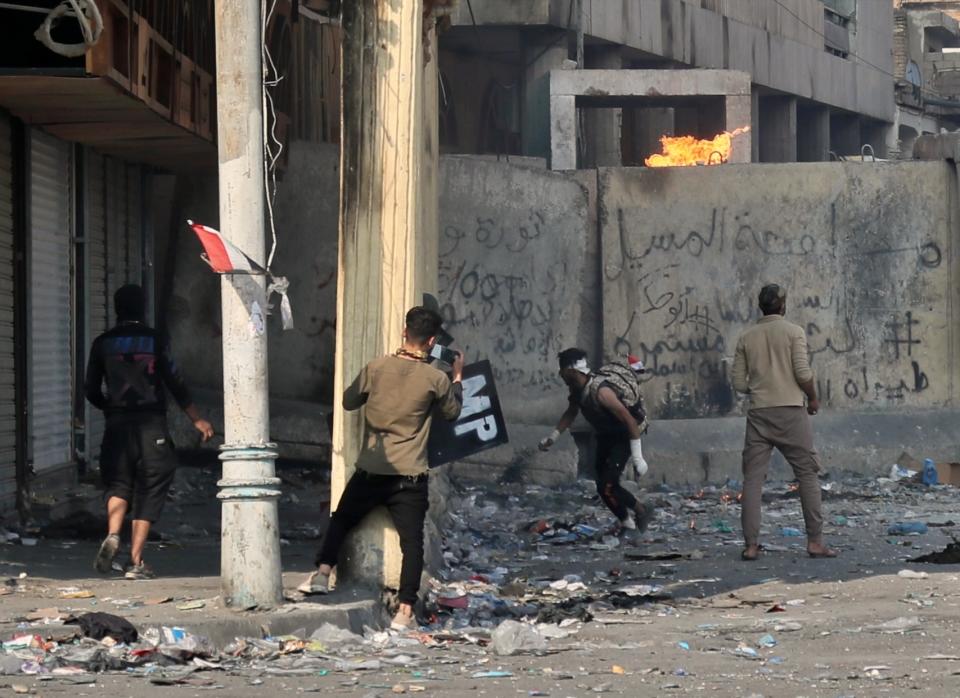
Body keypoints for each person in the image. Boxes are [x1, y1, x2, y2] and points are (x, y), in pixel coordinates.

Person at [298, 306, 464, 631]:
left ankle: (322, 574)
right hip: (409, 475)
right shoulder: (436, 379)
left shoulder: (376, 367)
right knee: (411, 543)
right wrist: (457, 376)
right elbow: (453, 413)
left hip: (372, 468)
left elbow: (348, 401)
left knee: (342, 517)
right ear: (431, 341)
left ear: (405, 332)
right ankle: (404, 611)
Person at [85, 285, 214, 579]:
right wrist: (197, 419)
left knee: (118, 483)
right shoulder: (155, 340)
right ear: (142, 308)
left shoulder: (102, 343)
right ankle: (136, 562)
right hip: (151, 425)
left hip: (116, 427)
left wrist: (109, 406)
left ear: (116, 309)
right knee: (150, 486)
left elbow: (90, 389)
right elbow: (175, 381)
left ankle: (114, 533)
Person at [731, 283, 836, 561]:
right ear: (783, 305)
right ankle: (815, 541)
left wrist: (760, 386)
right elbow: (802, 372)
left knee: (753, 480)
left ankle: (751, 545)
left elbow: (739, 383)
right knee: (807, 475)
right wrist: (812, 398)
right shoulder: (794, 332)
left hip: (759, 414)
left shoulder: (746, 337)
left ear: (760, 306)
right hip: (791, 412)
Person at [539, 348, 653, 532]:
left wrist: (638, 457)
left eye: (562, 370)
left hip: (622, 438)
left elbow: (630, 421)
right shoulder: (577, 391)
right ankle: (630, 520)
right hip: (605, 437)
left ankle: (637, 516)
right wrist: (553, 437)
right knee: (603, 487)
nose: (560, 375)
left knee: (608, 485)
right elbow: (570, 413)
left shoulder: (601, 392)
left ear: (571, 371)